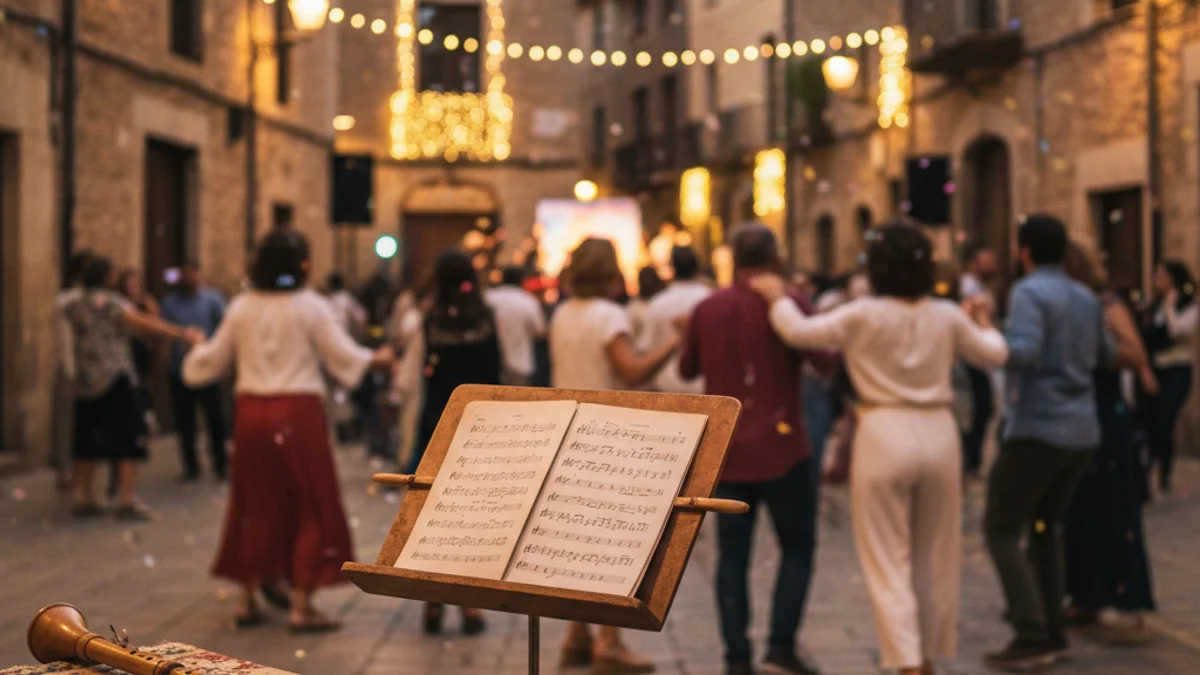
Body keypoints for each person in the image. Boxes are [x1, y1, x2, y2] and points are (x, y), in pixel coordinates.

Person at [744, 223, 1008, 675]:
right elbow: (994, 354)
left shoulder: (863, 314)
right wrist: (984, 320)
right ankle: (926, 652)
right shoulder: (945, 314)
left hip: (883, 430)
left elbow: (800, 332)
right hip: (939, 430)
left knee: (887, 555)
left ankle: (906, 659)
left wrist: (776, 298)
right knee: (935, 552)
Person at [182, 230, 394, 632]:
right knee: (309, 502)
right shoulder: (311, 306)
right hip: (298, 414)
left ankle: (247, 598)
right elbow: (342, 355)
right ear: (302, 264)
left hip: (251, 413)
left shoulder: (242, 306)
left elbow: (210, 361)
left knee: (254, 503)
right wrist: (376, 359)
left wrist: (195, 348)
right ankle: (300, 604)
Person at [678, 224, 834, 675]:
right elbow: (825, 359)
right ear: (775, 258)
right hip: (784, 449)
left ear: (733, 259)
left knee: (732, 557)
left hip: (728, 453)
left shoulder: (708, 308)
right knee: (797, 547)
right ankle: (780, 648)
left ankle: (737, 658)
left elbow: (687, 369)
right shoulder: (787, 303)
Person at [983, 215, 1116, 670]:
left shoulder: (1029, 292)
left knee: (1001, 527)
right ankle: (1053, 627)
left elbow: (1024, 351)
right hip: (1080, 431)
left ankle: (1031, 630)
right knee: (1045, 526)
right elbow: (1105, 354)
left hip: (1038, 428)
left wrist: (986, 330)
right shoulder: (1085, 297)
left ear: (1024, 251)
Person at [552, 237, 678, 674]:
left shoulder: (563, 313)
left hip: (569, 432)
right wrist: (674, 343)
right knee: (611, 544)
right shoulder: (608, 315)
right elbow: (631, 370)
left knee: (576, 543)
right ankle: (609, 641)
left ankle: (576, 635)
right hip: (608, 436)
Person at [1061, 242, 1158, 637]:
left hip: (1106, 412)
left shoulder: (1107, 306)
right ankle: (1086, 593)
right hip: (1078, 414)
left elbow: (1135, 353)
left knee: (1112, 505)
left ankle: (1124, 596)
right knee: (1080, 508)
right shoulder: (1068, 306)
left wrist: (1097, 352)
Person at [64, 256, 204, 519]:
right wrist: (181, 333)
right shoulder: (110, 302)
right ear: (106, 277)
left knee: (87, 439)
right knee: (128, 438)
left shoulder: (75, 303)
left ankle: (83, 495)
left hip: (86, 381)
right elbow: (142, 322)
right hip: (114, 377)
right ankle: (126, 499)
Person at [410, 250, 502, 636]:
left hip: (438, 423)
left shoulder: (429, 322)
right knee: (472, 517)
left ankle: (433, 603)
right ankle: (470, 606)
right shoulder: (486, 318)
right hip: (480, 424)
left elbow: (420, 375)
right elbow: (498, 370)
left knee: (435, 514)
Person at [160, 260, 230, 482]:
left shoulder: (212, 299)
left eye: (192, 273)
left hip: (208, 368)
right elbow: (164, 331)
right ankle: (191, 466)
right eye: (185, 274)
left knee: (215, 419)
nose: (188, 278)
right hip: (180, 368)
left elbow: (224, 330)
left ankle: (221, 463)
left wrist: (220, 359)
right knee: (185, 420)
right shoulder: (170, 303)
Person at [1141, 259, 1197, 495]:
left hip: (1177, 370)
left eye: (1161, 276)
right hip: (1157, 369)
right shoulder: (1154, 306)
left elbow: (1176, 331)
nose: (1157, 281)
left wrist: (1170, 306)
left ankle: (1163, 470)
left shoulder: (1189, 307)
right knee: (1153, 420)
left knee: (1165, 418)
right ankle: (1148, 471)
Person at [637, 246, 711, 394]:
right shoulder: (709, 299)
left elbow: (645, 348)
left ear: (672, 268)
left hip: (666, 387)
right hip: (702, 387)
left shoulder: (657, 303)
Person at [959, 245, 1001, 478]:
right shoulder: (968, 289)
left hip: (980, 357)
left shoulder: (982, 288)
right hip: (973, 357)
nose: (993, 266)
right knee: (979, 408)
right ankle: (969, 460)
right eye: (988, 261)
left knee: (982, 408)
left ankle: (971, 460)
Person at [54, 250, 93, 489]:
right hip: (74, 368)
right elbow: (67, 338)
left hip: (89, 370)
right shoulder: (69, 300)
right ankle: (66, 468)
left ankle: (79, 469)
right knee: (68, 421)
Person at [484, 266, 546, 385]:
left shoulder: (488, 298)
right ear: (521, 280)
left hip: (492, 365)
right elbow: (540, 331)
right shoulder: (528, 301)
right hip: (520, 365)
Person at [387, 288, 425, 470]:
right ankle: (406, 466)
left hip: (417, 376)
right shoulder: (415, 316)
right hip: (412, 376)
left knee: (411, 423)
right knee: (408, 424)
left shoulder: (416, 316)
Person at [626, 265, 665, 346]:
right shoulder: (633, 308)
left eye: (650, 279)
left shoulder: (663, 303)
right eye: (644, 279)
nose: (647, 282)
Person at [326, 272, 367, 340]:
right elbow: (361, 317)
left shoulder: (327, 300)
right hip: (345, 337)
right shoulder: (346, 299)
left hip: (330, 338)